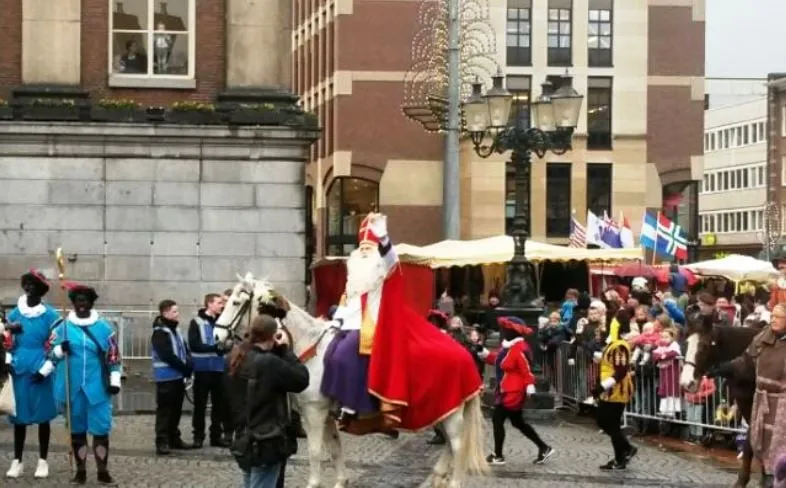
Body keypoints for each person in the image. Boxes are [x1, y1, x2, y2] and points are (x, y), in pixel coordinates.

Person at [321, 212, 482, 434]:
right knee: (330, 353)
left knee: (345, 354)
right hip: (350, 321)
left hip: (375, 321)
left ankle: (353, 407)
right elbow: (349, 298)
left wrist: (384, 239)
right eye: (363, 248)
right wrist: (336, 320)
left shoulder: (381, 263)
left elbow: (392, 262)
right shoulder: (354, 266)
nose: (365, 252)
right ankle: (336, 402)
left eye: (369, 247)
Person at [49, 282, 122, 485]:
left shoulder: (104, 328)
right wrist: (58, 350)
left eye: (86, 300)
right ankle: (80, 472)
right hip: (71, 388)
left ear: (91, 303)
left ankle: (102, 471)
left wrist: (115, 379)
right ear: (72, 303)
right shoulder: (62, 327)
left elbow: (113, 356)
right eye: (78, 300)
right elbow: (49, 355)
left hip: (97, 388)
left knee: (100, 430)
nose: (82, 304)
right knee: (77, 432)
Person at [225, 314, 309, 488]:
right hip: (266, 440)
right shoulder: (269, 362)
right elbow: (301, 379)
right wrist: (285, 350)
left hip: (243, 436)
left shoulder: (235, 357)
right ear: (272, 336)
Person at [713, 303, 786, 487]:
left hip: (783, 404)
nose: (773, 320)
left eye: (778, 317)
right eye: (773, 316)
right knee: (760, 442)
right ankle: (766, 478)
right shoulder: (763, 337)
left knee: (780, 448)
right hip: (763, 400)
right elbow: (746, 360)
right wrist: (725, 368)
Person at [4, 270, 60, 479]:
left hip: (41, 368)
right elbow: (6, 341)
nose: (29, 289)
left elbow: (57, 344)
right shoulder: (15, 315)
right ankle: (17, 460)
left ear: (41, 290)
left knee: (43, 417)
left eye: (34, 286)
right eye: (27, 285)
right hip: (19, 368)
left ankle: (43, 461)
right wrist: (8, 360)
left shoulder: (51, 315)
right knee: (19, 417)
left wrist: (47, 367)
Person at [481, 316, 553, 466]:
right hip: (505, 389)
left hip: (513, 392)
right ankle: (543, 447)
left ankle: (498, 455)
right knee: (518, 422)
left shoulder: (519, 348)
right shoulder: (508, 347)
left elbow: (526, 371)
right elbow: (499, 360)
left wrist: (530, 389)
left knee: (498, 419)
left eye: (506, 329)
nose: (504, 332)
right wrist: (484, 353)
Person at [592, 308, 637, 471]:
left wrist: (601, 387)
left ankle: (622, 456)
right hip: (610, 388)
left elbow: (621, 371)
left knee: (609, 422)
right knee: (606, 422)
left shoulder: (619, 345)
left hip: (617, 389)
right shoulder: (614, 344)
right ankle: (625, 450)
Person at [188, 293, 232, 448]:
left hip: (218, 369)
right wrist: (215, 347)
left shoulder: (222, 322)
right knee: (200, 405)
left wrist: (227, 346)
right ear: (209, 304)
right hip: (202, 369)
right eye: (219, 303)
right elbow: (194, 344)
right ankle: (198, 436)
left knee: (218, 405)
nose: (222, 305)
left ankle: (216, 436)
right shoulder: (196, 322)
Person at [151, 299, 193, 455]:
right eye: (174, 311)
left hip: (177, 377)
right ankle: (162, 441)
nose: (177, 314)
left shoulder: (176, 330)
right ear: (165, 313)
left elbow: (184, 350)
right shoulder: (160, 332)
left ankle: (174, 438)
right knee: (165, 411)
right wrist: (185, 368)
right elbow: (167, 355)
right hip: (166, 378)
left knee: (176, 411)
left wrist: (189, 365)